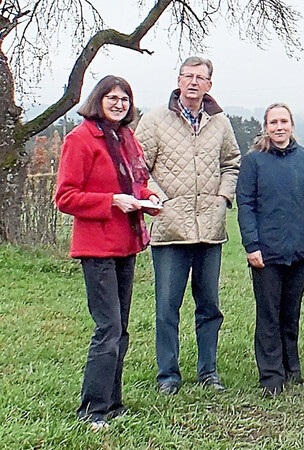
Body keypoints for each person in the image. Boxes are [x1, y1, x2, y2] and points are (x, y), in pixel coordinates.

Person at [55, 75, 161, 431]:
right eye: (112, 98)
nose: (119, 104)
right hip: (97, 247)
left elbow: (138, 182)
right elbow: (66, 198)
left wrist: (148, 199)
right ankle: (92, 409)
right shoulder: (80, 140)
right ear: (98, 99)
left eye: (125, 99)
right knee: (108, 327)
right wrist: (111, 201)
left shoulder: (126, 139)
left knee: (122, 329)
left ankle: (113, 403)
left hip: (126, 244)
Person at [135, 56, 240, 395]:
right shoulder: (153, 122)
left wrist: (223, 199)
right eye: (188, 76)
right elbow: (140, 169)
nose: (194, 82)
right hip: (169, 230)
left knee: (209, 306)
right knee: (168, 307)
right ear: (178, 80)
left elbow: (232, 163)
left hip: (209, 230)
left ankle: (208, 372)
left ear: (210, 84)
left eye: (201, 77)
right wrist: (160, 200)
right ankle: (168, 375)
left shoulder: (220, 123)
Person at [236, 103, 304, 397]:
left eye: (284, 121)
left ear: (292, 125)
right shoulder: (253, 162)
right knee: (269, 315)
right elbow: (246, 205)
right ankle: (271, 376)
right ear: (266, 127)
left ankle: (292, 369)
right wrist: (252, 244)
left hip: (300, 249)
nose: (279, 127)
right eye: (273, 122)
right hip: (266, 252)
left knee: (291, 313)